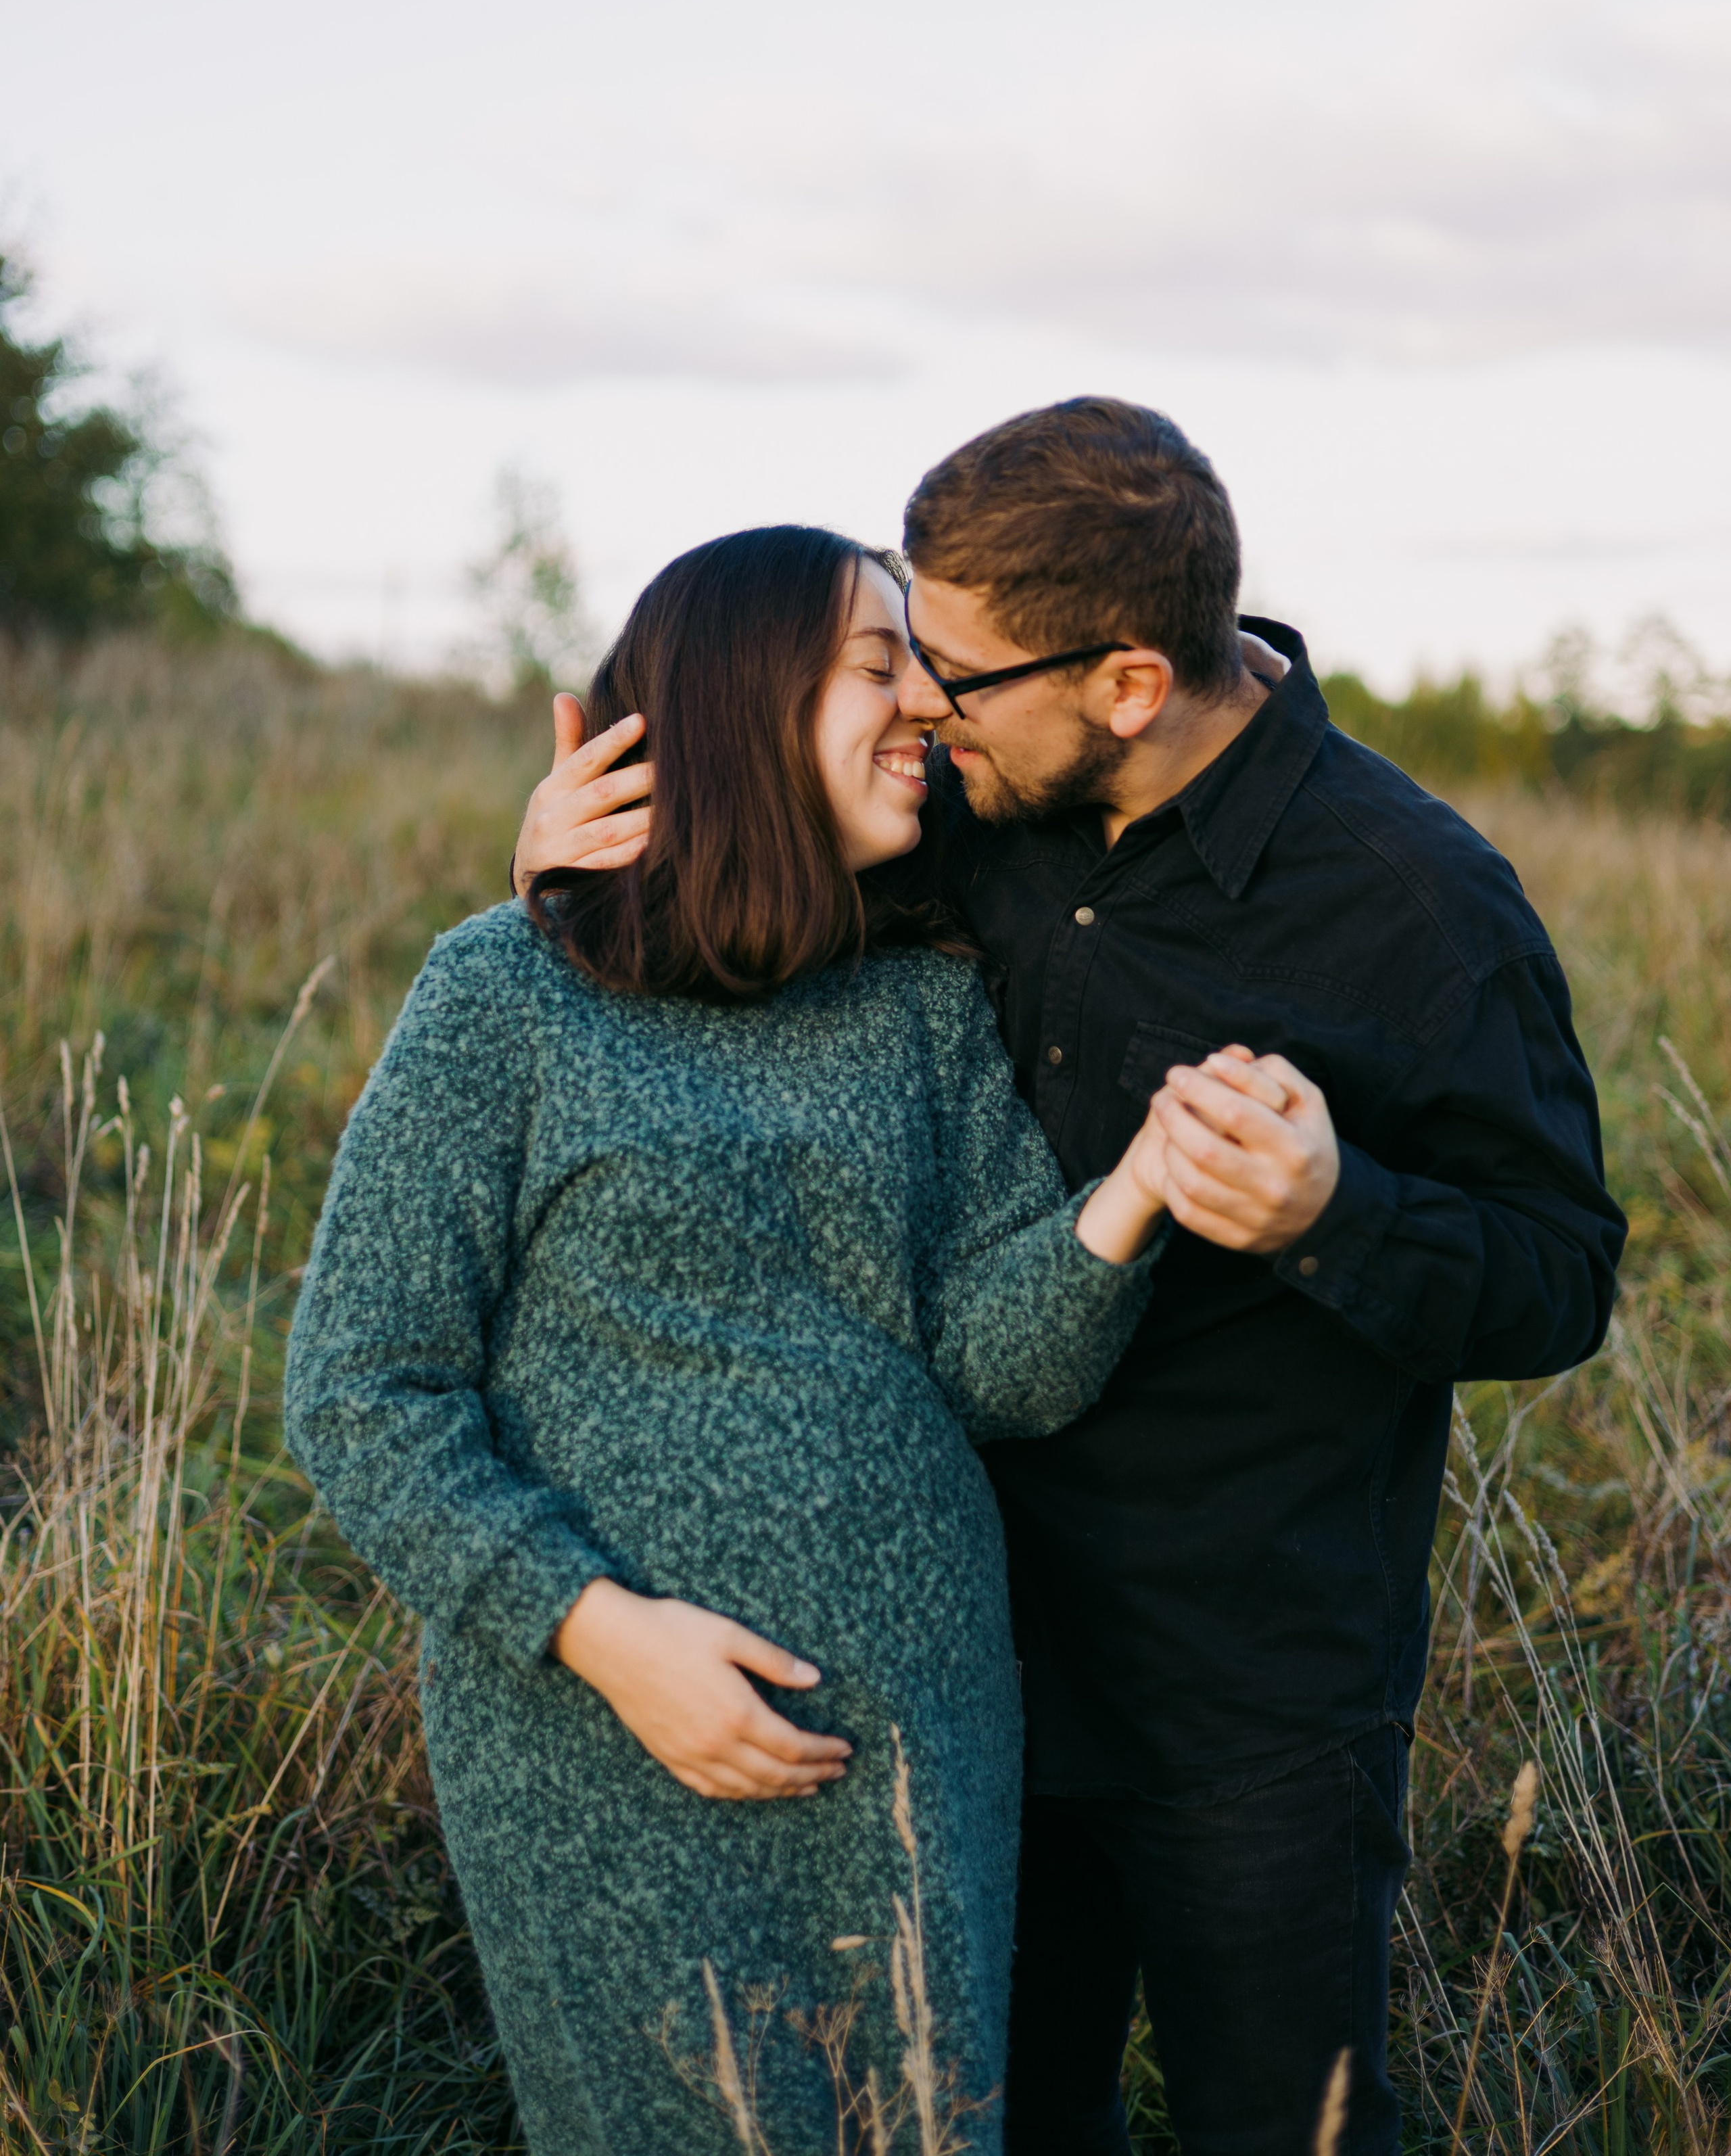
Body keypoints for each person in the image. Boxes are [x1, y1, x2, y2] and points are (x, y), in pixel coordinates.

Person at [513, 398, 1628, 2156]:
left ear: (1124, 683)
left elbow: (1560, 1278)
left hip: (1241, 1700)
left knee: (1290, 2128)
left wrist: (1335, 1211)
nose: (920, 708)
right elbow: (740, 940)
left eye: (954, 674)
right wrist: (574, 883)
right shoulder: (969, 807)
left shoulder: (1421, 914)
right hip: (941, 1658)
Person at [285, 523, 1196, 2156]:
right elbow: (363, 1393)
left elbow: (999, 1371)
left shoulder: (917, 1002)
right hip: (606, 1736)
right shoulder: (507, 991)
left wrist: (1127, 1199)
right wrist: (599, 1632)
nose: (923, 698)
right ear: (739, 703)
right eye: (874, 663)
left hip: (919, 1726)